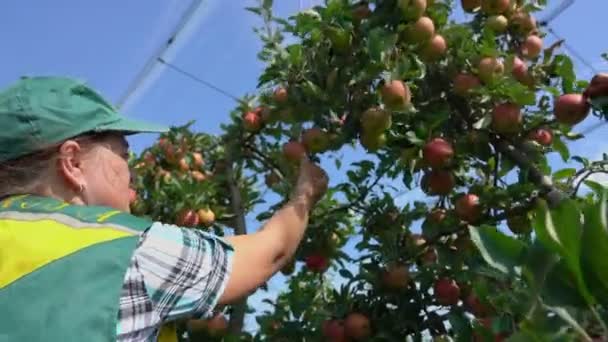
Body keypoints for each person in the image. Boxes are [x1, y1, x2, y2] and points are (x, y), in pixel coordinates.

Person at [0, 76, 329, 342]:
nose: (132, 172)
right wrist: (305, 193)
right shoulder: (126, 251)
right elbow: (269, 251)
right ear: (72, 162)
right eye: (124, 156)